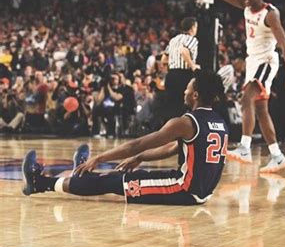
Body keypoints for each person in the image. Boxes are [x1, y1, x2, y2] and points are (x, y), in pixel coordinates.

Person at [22, 71, 228, 206]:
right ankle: (81, 175)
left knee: (114, 182)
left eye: (188, 87)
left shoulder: (185, 122)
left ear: (195, 95)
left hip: (183, 189)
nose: (185, 90)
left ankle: (39, 183)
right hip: (198, 189)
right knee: (120, 175)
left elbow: (137, 144)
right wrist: (142, 158)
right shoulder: (218, 122)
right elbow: (173, 149)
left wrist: (100, 158)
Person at [201, 0, 285, 173]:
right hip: (252, 62)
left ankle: (244, 147)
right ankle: (277, 155)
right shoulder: (246, 8)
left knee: (246, 99)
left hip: (266, 61)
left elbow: (284, 45)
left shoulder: (270, 14)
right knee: (261, 110)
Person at [161, 17, 201, 120]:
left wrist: (174, 61)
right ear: (192, 28)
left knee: (171, 106)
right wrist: (193, 66)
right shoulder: (192, 39)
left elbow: (164, 59)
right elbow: (184, 51)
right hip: (183, 74)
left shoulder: (173, 40)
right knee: (184, 104)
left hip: (171, 75)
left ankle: (169, 132)